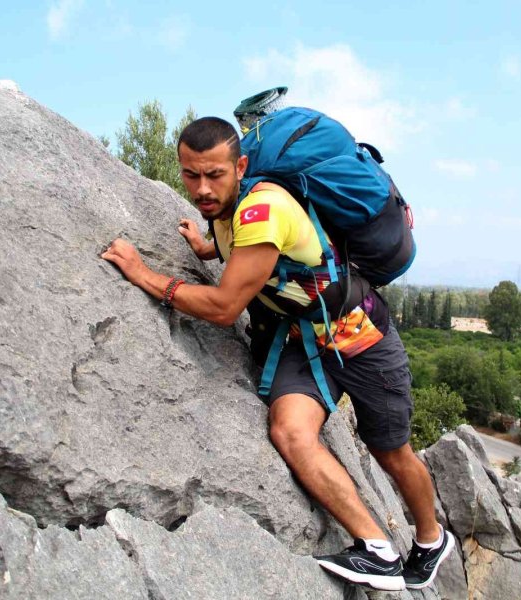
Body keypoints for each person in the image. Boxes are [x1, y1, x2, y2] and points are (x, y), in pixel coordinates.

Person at [102, 116, 453, 592]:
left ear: (241, 165)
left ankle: (430, 541)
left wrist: (144, 275)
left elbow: (225, 307)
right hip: (304, 341)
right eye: (190, 174)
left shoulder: (262, 207)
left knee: (390, 452)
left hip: (362, 336)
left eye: (214, 175)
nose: (201, 188)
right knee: (290, 432)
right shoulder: (227, 210)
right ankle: (377, 550)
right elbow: (248, 252)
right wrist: (205, 248)